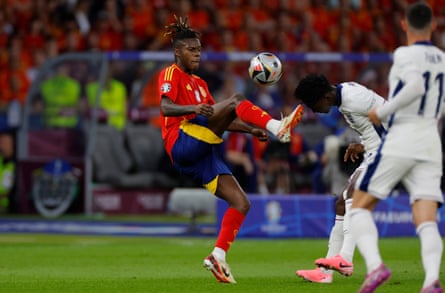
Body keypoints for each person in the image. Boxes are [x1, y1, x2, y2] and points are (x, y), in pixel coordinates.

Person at [158, 16, 303, 284]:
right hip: (182, 141)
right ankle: (277, 126)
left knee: (241, 202)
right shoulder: (171, 74)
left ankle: (218, 256)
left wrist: (251, 129)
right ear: (177, 51)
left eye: (199, 50)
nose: (197, 54)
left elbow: (221, 117)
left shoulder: (200, 84)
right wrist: (192, 109)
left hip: (201, 153)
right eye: (191, 50)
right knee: (236, 98)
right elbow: (165, 107)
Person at [351, 3, 444, 292]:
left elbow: (415, 86)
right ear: (433, 25)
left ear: (404, 25)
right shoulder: (442, 59)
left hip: (403, 136)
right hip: (431, 140)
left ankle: (376, 266)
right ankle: (431, 281)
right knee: (425, 218)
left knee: (359, 207)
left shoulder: (404, 54)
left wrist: (383, 112)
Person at [293, 74, 386, 284]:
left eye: (312, 104)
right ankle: (326, 273)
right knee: (341, 203)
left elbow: (393, 115)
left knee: (353, 192)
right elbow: (375, 122)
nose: (313, 110)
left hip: (388, 152)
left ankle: (345, 258)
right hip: (373, 150)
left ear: (325, 97)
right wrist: (364, 145)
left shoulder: (354, 98)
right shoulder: (344, 98)